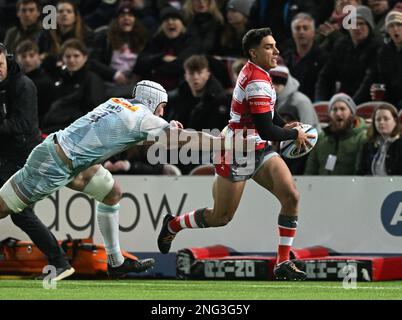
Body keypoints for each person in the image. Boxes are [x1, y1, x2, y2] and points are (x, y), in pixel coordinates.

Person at [0, 79, 236, 278]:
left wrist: (167, 127)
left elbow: (134, 134)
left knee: (112, 193)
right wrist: (221, 142)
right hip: (53, 165)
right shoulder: (144, 116)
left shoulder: (118, 103)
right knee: (2, 208)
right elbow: (179, 139)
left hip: (67, 159)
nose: (163, 112)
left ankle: (115, 262)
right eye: (162, 106)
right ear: (153, 102)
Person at [157, 28, 315, 280]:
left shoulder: (261, 73)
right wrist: (294, 135)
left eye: (275, 45)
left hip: (256, 147)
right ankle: (173, 224)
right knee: (220, 217)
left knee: (291, 197)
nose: (276, 51)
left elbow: (269, 115)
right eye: (268, 47)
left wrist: (284, 124)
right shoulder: (256, 81)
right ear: (253, 52)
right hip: (236, 151)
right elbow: (265, 129)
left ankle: (283, 262)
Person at [0, 42, 73, 280]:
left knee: (21, 214)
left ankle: (60, 262)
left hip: (25, 158)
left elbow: (23, 126)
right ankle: (59, 261)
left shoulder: (23, 86)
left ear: (6, 59)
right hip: (6, 157)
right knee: (20, 214)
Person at [315, 5, 381, 101]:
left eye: (361, 24)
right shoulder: (341, 45)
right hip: (343, 100)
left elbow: (368, 82)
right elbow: (326, 76)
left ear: (369, 26)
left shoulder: (377, 48)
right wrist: (320, 100)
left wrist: (350, 105)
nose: (357, 27)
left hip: (366, 100)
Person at [41, 39, 106, 134]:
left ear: (85, 57)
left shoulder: (92, 79)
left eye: (76, 56)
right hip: (57, 125)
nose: (71, 60)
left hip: (79, 130)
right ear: (62, 59)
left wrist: (66, 118)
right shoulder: (61, 79)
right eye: (67, 56)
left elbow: (94, 113)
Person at [304, 93, 367, 175]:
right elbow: (310, 170)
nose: (338, 113)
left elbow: (360, 172)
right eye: (334, 109)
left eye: (342, 109)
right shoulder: (320, 138)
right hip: (322, 186)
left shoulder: (362, 137)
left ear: (352, 113)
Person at [354, 10, 402, 110]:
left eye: (399, 25)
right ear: (387, 30)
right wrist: (352, 105)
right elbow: (370, 79)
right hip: (390, 105)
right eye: (391, 26)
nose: (395, 29)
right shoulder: (384, 52)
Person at [282, 12, 328, 102]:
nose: (301, 32)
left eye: (305, 28)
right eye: (297, 28)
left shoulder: (324, 58)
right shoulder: (286, 58)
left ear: (313, 32)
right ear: (292, 33)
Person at [269, 64, 321, 132]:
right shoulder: (270, 100)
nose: (274, 86)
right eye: (271, 81)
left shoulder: (301, 101)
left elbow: (308, 130)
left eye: (279, 81)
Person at [15, 39, 54, 128]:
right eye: (23, 56)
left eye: (31, 55)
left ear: (38, 56)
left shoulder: (46, 82)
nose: (28, 60)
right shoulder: (14, 79)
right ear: (17, 58)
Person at [357, 103, 402, 175]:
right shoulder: (368, 145)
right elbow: (361, 172)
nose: (381, 122)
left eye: (386, 119)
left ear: (395, 121)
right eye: (378, 119)